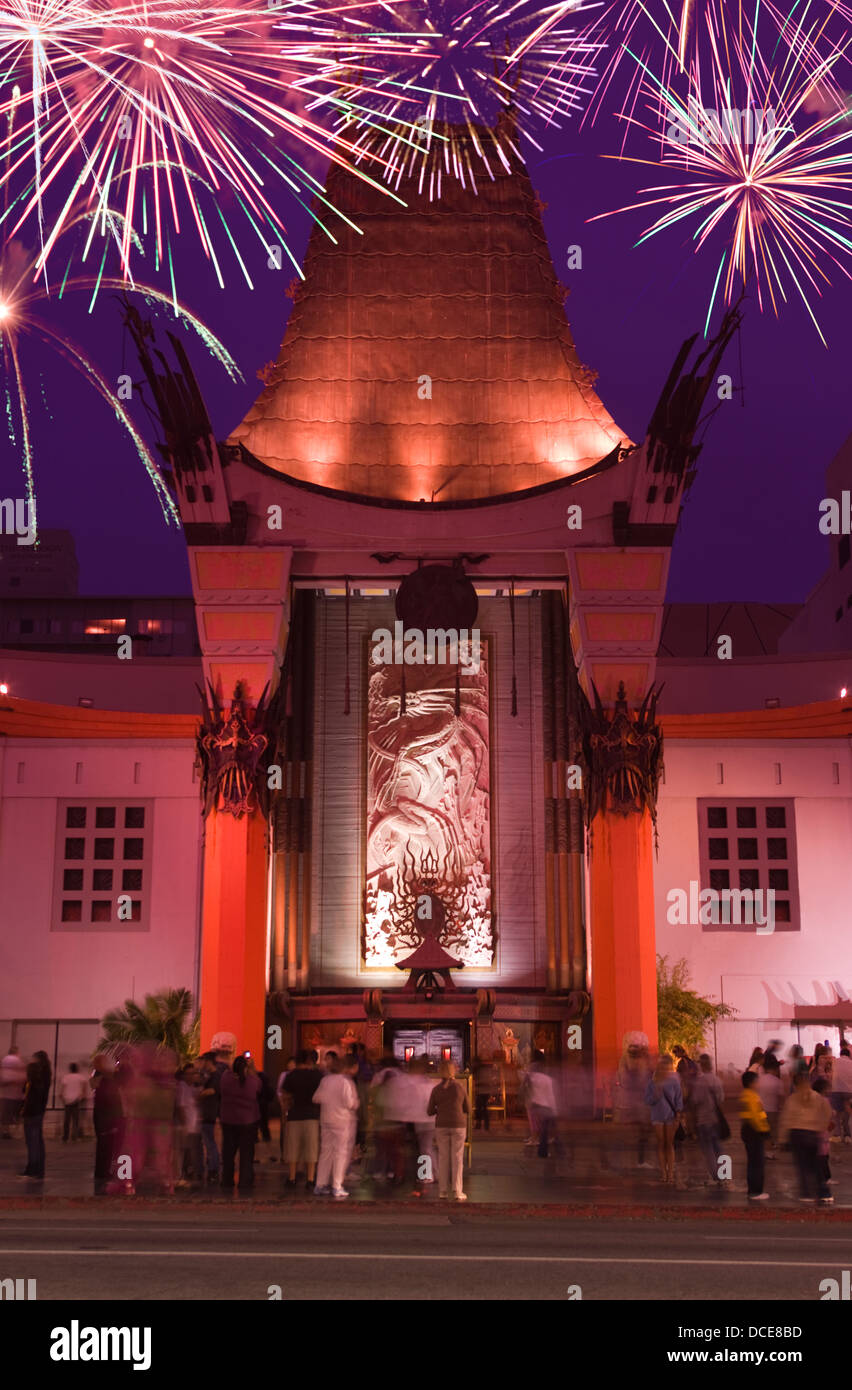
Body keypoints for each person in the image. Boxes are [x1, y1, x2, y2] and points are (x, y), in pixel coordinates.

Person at [780, 1070, 833, 1205]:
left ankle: (806, 1193)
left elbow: (785, 1119)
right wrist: (821, 1127)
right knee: (815, 1165)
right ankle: (824, 1192)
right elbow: (827, 1113)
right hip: (812, 1134)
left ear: (795, 1084)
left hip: (796, 1135)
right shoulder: (817, 1097)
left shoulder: (792, 1099)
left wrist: (782, 1139)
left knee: (802, 1166)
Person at [313, 1054, 359, 1198]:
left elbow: (316, 1098)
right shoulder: (346, 1082)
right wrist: (357, 1102)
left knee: (325, 1152)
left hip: (326, 1119)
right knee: (341, 1153)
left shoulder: (325, 1080)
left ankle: (320, 1184)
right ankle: (337, 1185)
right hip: (342, 1122)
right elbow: (350, 1104)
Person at [427, 1059, 469, 1200]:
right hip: (458, 1125)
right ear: (454, 1071)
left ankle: (442, 1191)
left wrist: (440, 1108)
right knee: (457, 1158)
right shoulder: (460, 1088)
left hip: (441, 1125)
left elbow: (429, 1111)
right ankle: (458, 1191)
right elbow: (468, 1108)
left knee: (443, 1157)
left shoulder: (436, 1090)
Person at [220, 1054, 261, 1192]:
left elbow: (225, 1077)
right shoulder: (251, 1081)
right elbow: (259, 1086)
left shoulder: (226, 1078)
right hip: (247, 1121)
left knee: (228, 1152)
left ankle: (227, 1180)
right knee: (246, 1153)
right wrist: (252, 1069)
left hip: (228, 1120)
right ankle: (244, 1181)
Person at [281, 1050, 322, 1188]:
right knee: (311, 1148)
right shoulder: (317, 1075)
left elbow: (285, 1096)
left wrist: (285, 1112)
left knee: (293, 1148)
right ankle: (310, 1180)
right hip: (312, 1115)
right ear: (309, 1060)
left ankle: (292, 1178)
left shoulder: (291, 1075)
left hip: (294, 1116)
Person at [615, 1034, 652, 1171]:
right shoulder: (626, 1060)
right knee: (629, 1133)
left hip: (640, 1101)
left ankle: (639, 1161)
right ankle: (628, 1162)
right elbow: (625, 1080)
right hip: (630, 1102)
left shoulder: (643, 1060)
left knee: (642, 1133)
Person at [645, 1056, 683, 1186]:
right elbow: (648, 1100)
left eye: (668, 1068)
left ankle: (671, 1173)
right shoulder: (652, 1082)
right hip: (657, 1116)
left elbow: (679, 1098)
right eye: (664, 1068)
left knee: (669, 1143)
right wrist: (655, 1095)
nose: (666, 1071)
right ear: (659, 1068)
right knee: (661, 1143)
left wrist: (678, 1113)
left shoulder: (674, 1082)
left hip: (671, 1116)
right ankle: (663, 1173)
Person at [690, 1054, 727, 1184]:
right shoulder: (717, 1080)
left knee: (708, 1149)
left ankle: (715, 1176)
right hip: (716, 1119)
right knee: (719, 1147)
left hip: (703, 1119)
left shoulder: (700, 1082)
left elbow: (695, 1101)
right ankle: (725, 1174)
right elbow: (721, 1099)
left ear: (702, 1065)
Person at [91, 1054, 123, 1196]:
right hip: (107, 1119)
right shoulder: (107, 1083)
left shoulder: (101, 1081)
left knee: (103, 1146)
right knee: (107, 1146)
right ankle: (103, 1172)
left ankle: (101, 1171)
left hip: (102, 1117)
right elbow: (111, 1102)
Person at [19, 1051, 51, 1180]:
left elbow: (26, 1097)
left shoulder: (33, 1083)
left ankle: (33, 1168)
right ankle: (39, 1169)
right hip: (39, 1112)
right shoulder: (46, 1076)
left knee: (32, 1141)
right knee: (38, 1141)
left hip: (32, 1113)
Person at [739, 1070, 770, 1201]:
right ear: (751, 1083)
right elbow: (755, 1116)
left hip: (748, 1130)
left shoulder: (745, 1095)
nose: (758, 1084)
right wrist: (764, 1130)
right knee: (757, 1163)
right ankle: (756, 1191)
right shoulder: (751, 1096)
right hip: (754, 1131)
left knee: (753, 1162)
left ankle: (753, 1190)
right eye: (757, 1081)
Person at [408, 1056, 437, 1184]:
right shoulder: (427, 1082)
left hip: (424, 1119)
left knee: (425, 1148)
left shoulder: (419, 1083)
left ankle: (428, 1175)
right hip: (426, 1119)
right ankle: (434, 1172)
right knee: (427, 1147)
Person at [198, 1054, 222, 1184]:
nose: (202, 1064)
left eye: (203, 1061)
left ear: (208, 1062)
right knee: (208, 1142)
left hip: (209, 1113)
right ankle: (212, 1168)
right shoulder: (210, 1076)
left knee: (210, 1143)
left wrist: (199, 1095)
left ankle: (213, 1169)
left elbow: (212, 1091)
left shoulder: (215, 1076)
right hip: (207, 1113)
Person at [757, 1053, 784, 1156]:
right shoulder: (777, 1081)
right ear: (774, 1069)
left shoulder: (759, 1080)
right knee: (772, 1131)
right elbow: (781, 1097)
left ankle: (764, 1150)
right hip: (773, 1110)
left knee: (764, 1131)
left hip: (761, 1109)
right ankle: (769, 1151)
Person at [0, 1045, 26, 1138]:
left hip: (6, 1095)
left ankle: (5, 1131)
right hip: (16, 1095)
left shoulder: (4, 1061)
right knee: (14, 1115)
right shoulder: (17, 1061)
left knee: (5, 1115)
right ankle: (10, 1132)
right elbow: (23, 1076)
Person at [830, 1043, 852, 1141]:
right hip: (848, 1091)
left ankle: (837, 1135)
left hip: (836, 1090)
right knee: (847, 1114)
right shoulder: (851, 1063)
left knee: (836, 1114)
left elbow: (831, 1073)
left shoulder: (835, 1061)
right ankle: (848, 1135)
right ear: (848, 1055)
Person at [60, 1062, 86, 1142]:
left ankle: (65, 1136)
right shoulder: (81, 1077)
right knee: (76, 1119)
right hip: (77, 1099)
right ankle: (74, 1136)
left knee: (67, 1119)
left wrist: (62, 1096)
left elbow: (62, 1088)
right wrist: (82, 1095)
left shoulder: (66, 1077)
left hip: (67, 1099)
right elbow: (84, 1087)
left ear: (70, 1069)